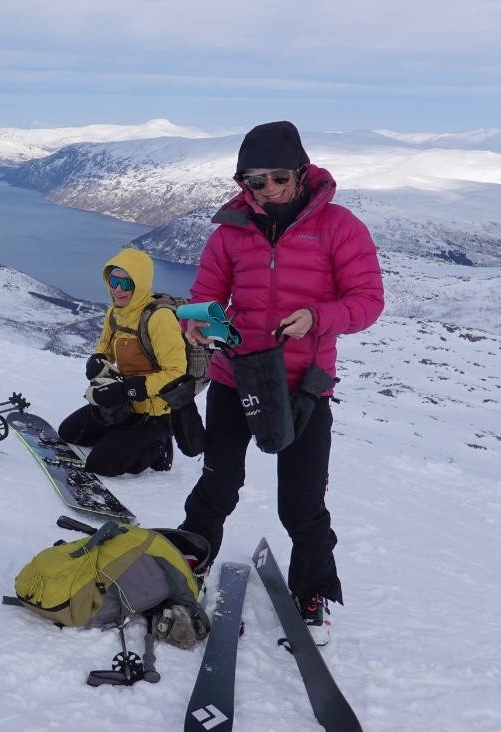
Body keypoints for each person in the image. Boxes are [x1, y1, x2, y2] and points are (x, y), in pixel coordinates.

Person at [179, 121, 384, 646]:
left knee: (302, 500)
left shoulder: (340, 227)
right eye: (254, 180)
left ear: (300, 172)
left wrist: (317, 317)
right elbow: (207, 294)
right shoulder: (229, 231)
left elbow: (367, 301)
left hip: (304, 385)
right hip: (237, 374)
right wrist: (198, 320)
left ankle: (312, 590)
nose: (267, 189)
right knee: (218, 483)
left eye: (277, 177)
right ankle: (190, 560)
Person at [57, 247, 184, 476]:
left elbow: (176, 371)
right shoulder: (114, 313)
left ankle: (159, 446)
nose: (117, 289)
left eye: (126, 284)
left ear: (141, 284)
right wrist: (97, 360)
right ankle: (120, 438)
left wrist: (129, 390)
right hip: (120, 405)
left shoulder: (159, 318)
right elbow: (104, 347)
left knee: (102, 465)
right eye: (114, 280)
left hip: (153, 412)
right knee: (68, 433)